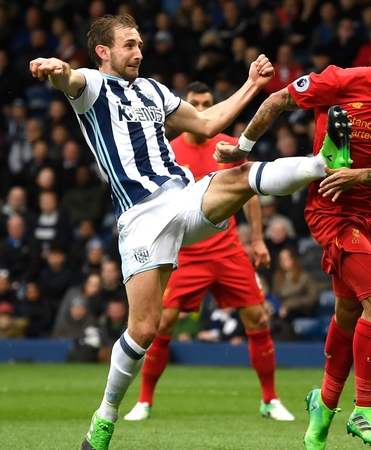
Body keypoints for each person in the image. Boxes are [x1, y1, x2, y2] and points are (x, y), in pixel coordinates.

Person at [30, 14, 336, 450]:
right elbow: (69, 79)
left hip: (183, 196)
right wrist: (55, 68)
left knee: (239, 174)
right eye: (129, 45)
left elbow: (208, 124)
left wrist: (252, 84)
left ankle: (324, 162)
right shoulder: (93, 88)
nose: (139, 51)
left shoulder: (154, 90)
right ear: (104, 52)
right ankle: (106, 416)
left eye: (139, 44)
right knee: (144, 329)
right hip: (140, 219)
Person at [227, 35, 371, 449]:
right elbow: (277, 101)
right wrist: (242, 149)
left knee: (350, 311)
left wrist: (360, 176)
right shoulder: (340, 81)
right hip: (332, 213)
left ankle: (323, 405)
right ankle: (364, 410)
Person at [124, 82, 294, 423]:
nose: (201, 108)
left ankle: (270, 399)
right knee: (162, 323)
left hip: (228, 250)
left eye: (206, 102)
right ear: (184, 108)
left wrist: (258, 240)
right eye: (195, 103)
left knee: (258, 319)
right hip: (186, 253)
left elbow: (248, 191)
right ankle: (143, 401)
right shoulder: (167, 151)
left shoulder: (228, 147)